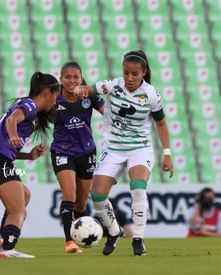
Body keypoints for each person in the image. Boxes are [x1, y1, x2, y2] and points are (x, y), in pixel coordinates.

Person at [74, 50, 174, 256]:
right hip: (113, 148)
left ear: (143, 73)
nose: (129, 78)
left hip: (140, 147)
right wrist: (81, 90)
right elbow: (91, 88)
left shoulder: (151, 94)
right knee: (98, 195)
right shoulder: (113, 85)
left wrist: (167, 153)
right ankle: (114, 231)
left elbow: (161, 123)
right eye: (126, 73)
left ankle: (138, 238)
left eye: (134, 74)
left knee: (138, 187)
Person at [0, 72, 60, 258]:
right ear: (46, 93)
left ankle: (2, 236)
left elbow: (4, 144)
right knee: (18, 210)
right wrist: (13, 135)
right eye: (55, 95)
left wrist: (28, 154)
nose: (55, 100)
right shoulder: (29, 105)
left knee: (24, 195)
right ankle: (8, 248)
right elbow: (12, 121)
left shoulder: (30, 111)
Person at [50, 61, 105, 253]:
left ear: (81, 78)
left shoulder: (89, 96)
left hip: (87, 152)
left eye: (75, 77)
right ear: (61, 79)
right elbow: (37, 115)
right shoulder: (54, 99)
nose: (71, 80)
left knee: (81, 203)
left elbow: (108, 114)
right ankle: (69, 241)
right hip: (62, 151)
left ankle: (79, 236)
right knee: (69, 195)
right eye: (67, 77)